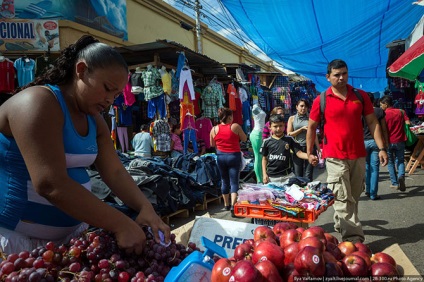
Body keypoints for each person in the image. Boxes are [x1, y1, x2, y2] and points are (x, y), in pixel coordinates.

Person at [0, 35, 170, 254]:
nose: (110, 100)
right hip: (17, 245)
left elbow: (116, 172)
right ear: (81, 70)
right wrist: (121, 223)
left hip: (69, 243)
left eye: (116, 94)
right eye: (107, 88)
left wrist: (146, 208)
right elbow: (50, 184)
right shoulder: (37, 102)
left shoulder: (94, 119)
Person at [306, 59, 388, 244]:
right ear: (328, 77)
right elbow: (311, 128)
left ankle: (341, 222)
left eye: (344, 73)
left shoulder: (360, 96)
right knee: (343, 197)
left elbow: (372, 122)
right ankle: (353, 240)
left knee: (354, 195)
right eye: (336, 75)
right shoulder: (322, 100)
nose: (341, 78)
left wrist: (382, 148)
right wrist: (310, 152)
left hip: (358, 155)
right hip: (334, 157)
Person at [210, 107, 247, 217]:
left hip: (221, 156)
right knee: (234, 181)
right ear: (229, 117)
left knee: (224, 180)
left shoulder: (214, 129)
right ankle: (233, 206)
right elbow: (244, 139)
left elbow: (212, 144)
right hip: (233, 156)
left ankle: (226, 204)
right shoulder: (235, 126)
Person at [261, 114, 317, 184]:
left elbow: (299, 153)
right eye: (275, 126)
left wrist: (309, 157)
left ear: (284, 125)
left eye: (280, 126)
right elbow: (264, 159)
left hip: (287, 177)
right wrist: (264, 174)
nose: (278, 129)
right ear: (270, 127)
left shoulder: (289, 139)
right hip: (272, 178)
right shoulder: (266, 142)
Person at [379, 95, 409, 192]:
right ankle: (401, 176)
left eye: (381, 105)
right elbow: (408, 123)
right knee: (400, 160)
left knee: (390, 162)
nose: (381, 107)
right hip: (400, 140)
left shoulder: (383, 114)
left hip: (388, 142)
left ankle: (395, 183)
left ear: (386, 104)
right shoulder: (401, 112)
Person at [363, 93, 389, 200]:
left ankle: (368, 190)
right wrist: (385, 143)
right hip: (375, 142)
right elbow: (383, 128)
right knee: (374, 168)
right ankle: (373, 194)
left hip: (363, 142)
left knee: (367, 167)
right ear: (374, 101)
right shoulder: (379, 111)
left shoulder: (360, 111)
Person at [286, 99, 319, 182]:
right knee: (298, 174)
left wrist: (318, 148)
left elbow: (314, 135)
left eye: (305, 106)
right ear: (297, 107)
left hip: (310, 148)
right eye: (301, 106)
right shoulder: (292, 119)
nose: (303, 108)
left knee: (308, 174)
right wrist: (301, 129)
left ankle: (309, 193)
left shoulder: (310, 119)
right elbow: (289, 134)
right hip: (297, 148)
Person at [250, 104, 267, 183]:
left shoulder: (258, 108)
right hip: (257, 134)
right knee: (258, 157)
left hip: (259, 133)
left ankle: (261, 178)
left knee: (260, 157)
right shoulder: (255, 108)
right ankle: (259, 179)